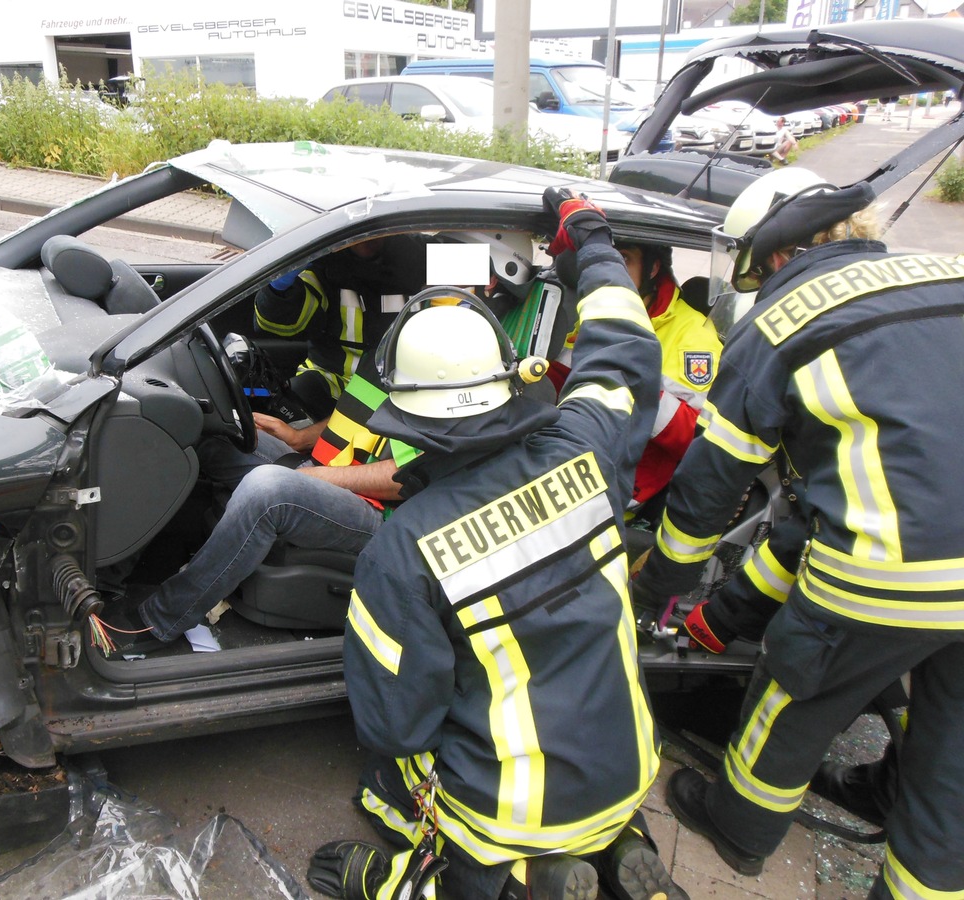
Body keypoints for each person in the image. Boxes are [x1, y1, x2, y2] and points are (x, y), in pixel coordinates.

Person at [307, 189, 688, 900]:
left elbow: (397, 722)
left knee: (391, 774)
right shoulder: (585, 441)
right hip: (632, 763)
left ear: (408, 419)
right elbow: (626, 351)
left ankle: (459, 878)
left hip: (514, 809)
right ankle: (613, 845)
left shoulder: (402, 552)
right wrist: (592, 243)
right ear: (509, 378)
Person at [631, 166, 964, 898]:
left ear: (776, 253)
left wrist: (655, 584)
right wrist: (724, 614)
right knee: (954, 757)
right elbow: (821, 500)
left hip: (891, 575)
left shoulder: (782, 321)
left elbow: (710, 490)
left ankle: (738, 829)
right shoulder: (946, 273)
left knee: (793, 694)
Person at [136, 357, 416, 644]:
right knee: (210, 432)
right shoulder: (396, 340)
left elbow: (405, 478)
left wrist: (317, 477)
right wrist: (297, 438)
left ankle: (160, 619)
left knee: (266, 490)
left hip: (378, 511)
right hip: (325, 467)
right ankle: (116, 570)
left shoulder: (444, 359)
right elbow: (360, 414)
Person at [553, 241, 721, 521]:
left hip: (623, 484)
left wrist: (638, 386)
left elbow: (701, 439)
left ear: (653, 268)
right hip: (574, 449)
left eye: (624, 258)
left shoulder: (694, 337)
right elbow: (561, 379)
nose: (611, 269)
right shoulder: (600, 309)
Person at [255, 234, 431, 424]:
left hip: (407, 390)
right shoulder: (323, 262)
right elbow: (280, 325)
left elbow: (465, 278)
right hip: (333, 383)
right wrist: (277, 291)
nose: (365, 242)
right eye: (358, 238)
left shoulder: (425, 255)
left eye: (374, 231)